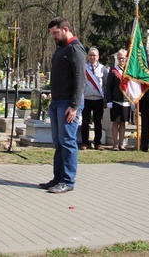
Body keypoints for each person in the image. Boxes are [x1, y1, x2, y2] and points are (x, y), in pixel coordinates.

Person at [39, 17, 85, 194]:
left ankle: (67, 180)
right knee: (59, 142)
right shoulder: (61, 49)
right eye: (51, 33)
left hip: (68, 103)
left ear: (65, 29)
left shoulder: (75, 49)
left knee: (67, 142)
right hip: (57, 101)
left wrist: (74, 106)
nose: (53, 37)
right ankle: (58, 178)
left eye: (55, 33)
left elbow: (80, 79)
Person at [81, 47, 109, 150]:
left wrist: (105, 99)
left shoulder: (103, 69)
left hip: (98, 99)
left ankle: (98, 143)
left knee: (98, 122)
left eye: (94, 55)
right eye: (90, 55)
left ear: (98, 57)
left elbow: (105, 85)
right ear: (87, 56)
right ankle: (85, 142)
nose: (92, 57)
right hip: (86, 98)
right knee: (85, 121)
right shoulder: (83, 67)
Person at [106, 49, 129, 151]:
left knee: (123, 123)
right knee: (115, 122)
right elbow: (109, 87)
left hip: (126, 101)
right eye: (119, 58)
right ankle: (115, 144)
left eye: (123, 58)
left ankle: (121, 144)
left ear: (126, 58)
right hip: (115, 101)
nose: (121, 60)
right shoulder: (113, 71)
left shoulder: (129, 71)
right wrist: (109, 100)